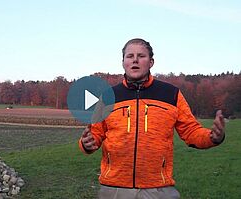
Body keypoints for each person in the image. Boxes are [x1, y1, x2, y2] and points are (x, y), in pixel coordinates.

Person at [78, 38, 225, 199]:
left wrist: (212, 138)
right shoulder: (108, 96)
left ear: (151, 62)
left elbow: (191, 131)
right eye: (130, 56)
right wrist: (86, 144)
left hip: (158, 189)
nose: (135, 60)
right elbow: (96, 134)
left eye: (141, 56)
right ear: (123, 62)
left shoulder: (171, 94)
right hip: (114, 189)